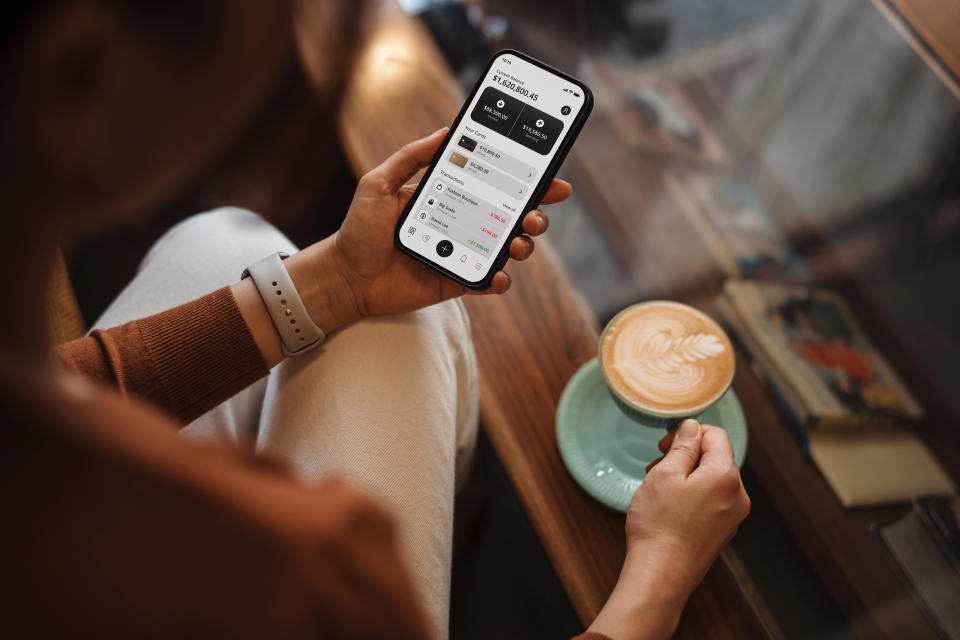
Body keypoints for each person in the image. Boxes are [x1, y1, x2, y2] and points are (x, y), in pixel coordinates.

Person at [0, 2, 750, 639]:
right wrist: (658, 577)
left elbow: (75, 390)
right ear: (80, 70)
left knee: (227, 242)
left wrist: (337, 284)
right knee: (413, 331)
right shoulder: (305, 574)